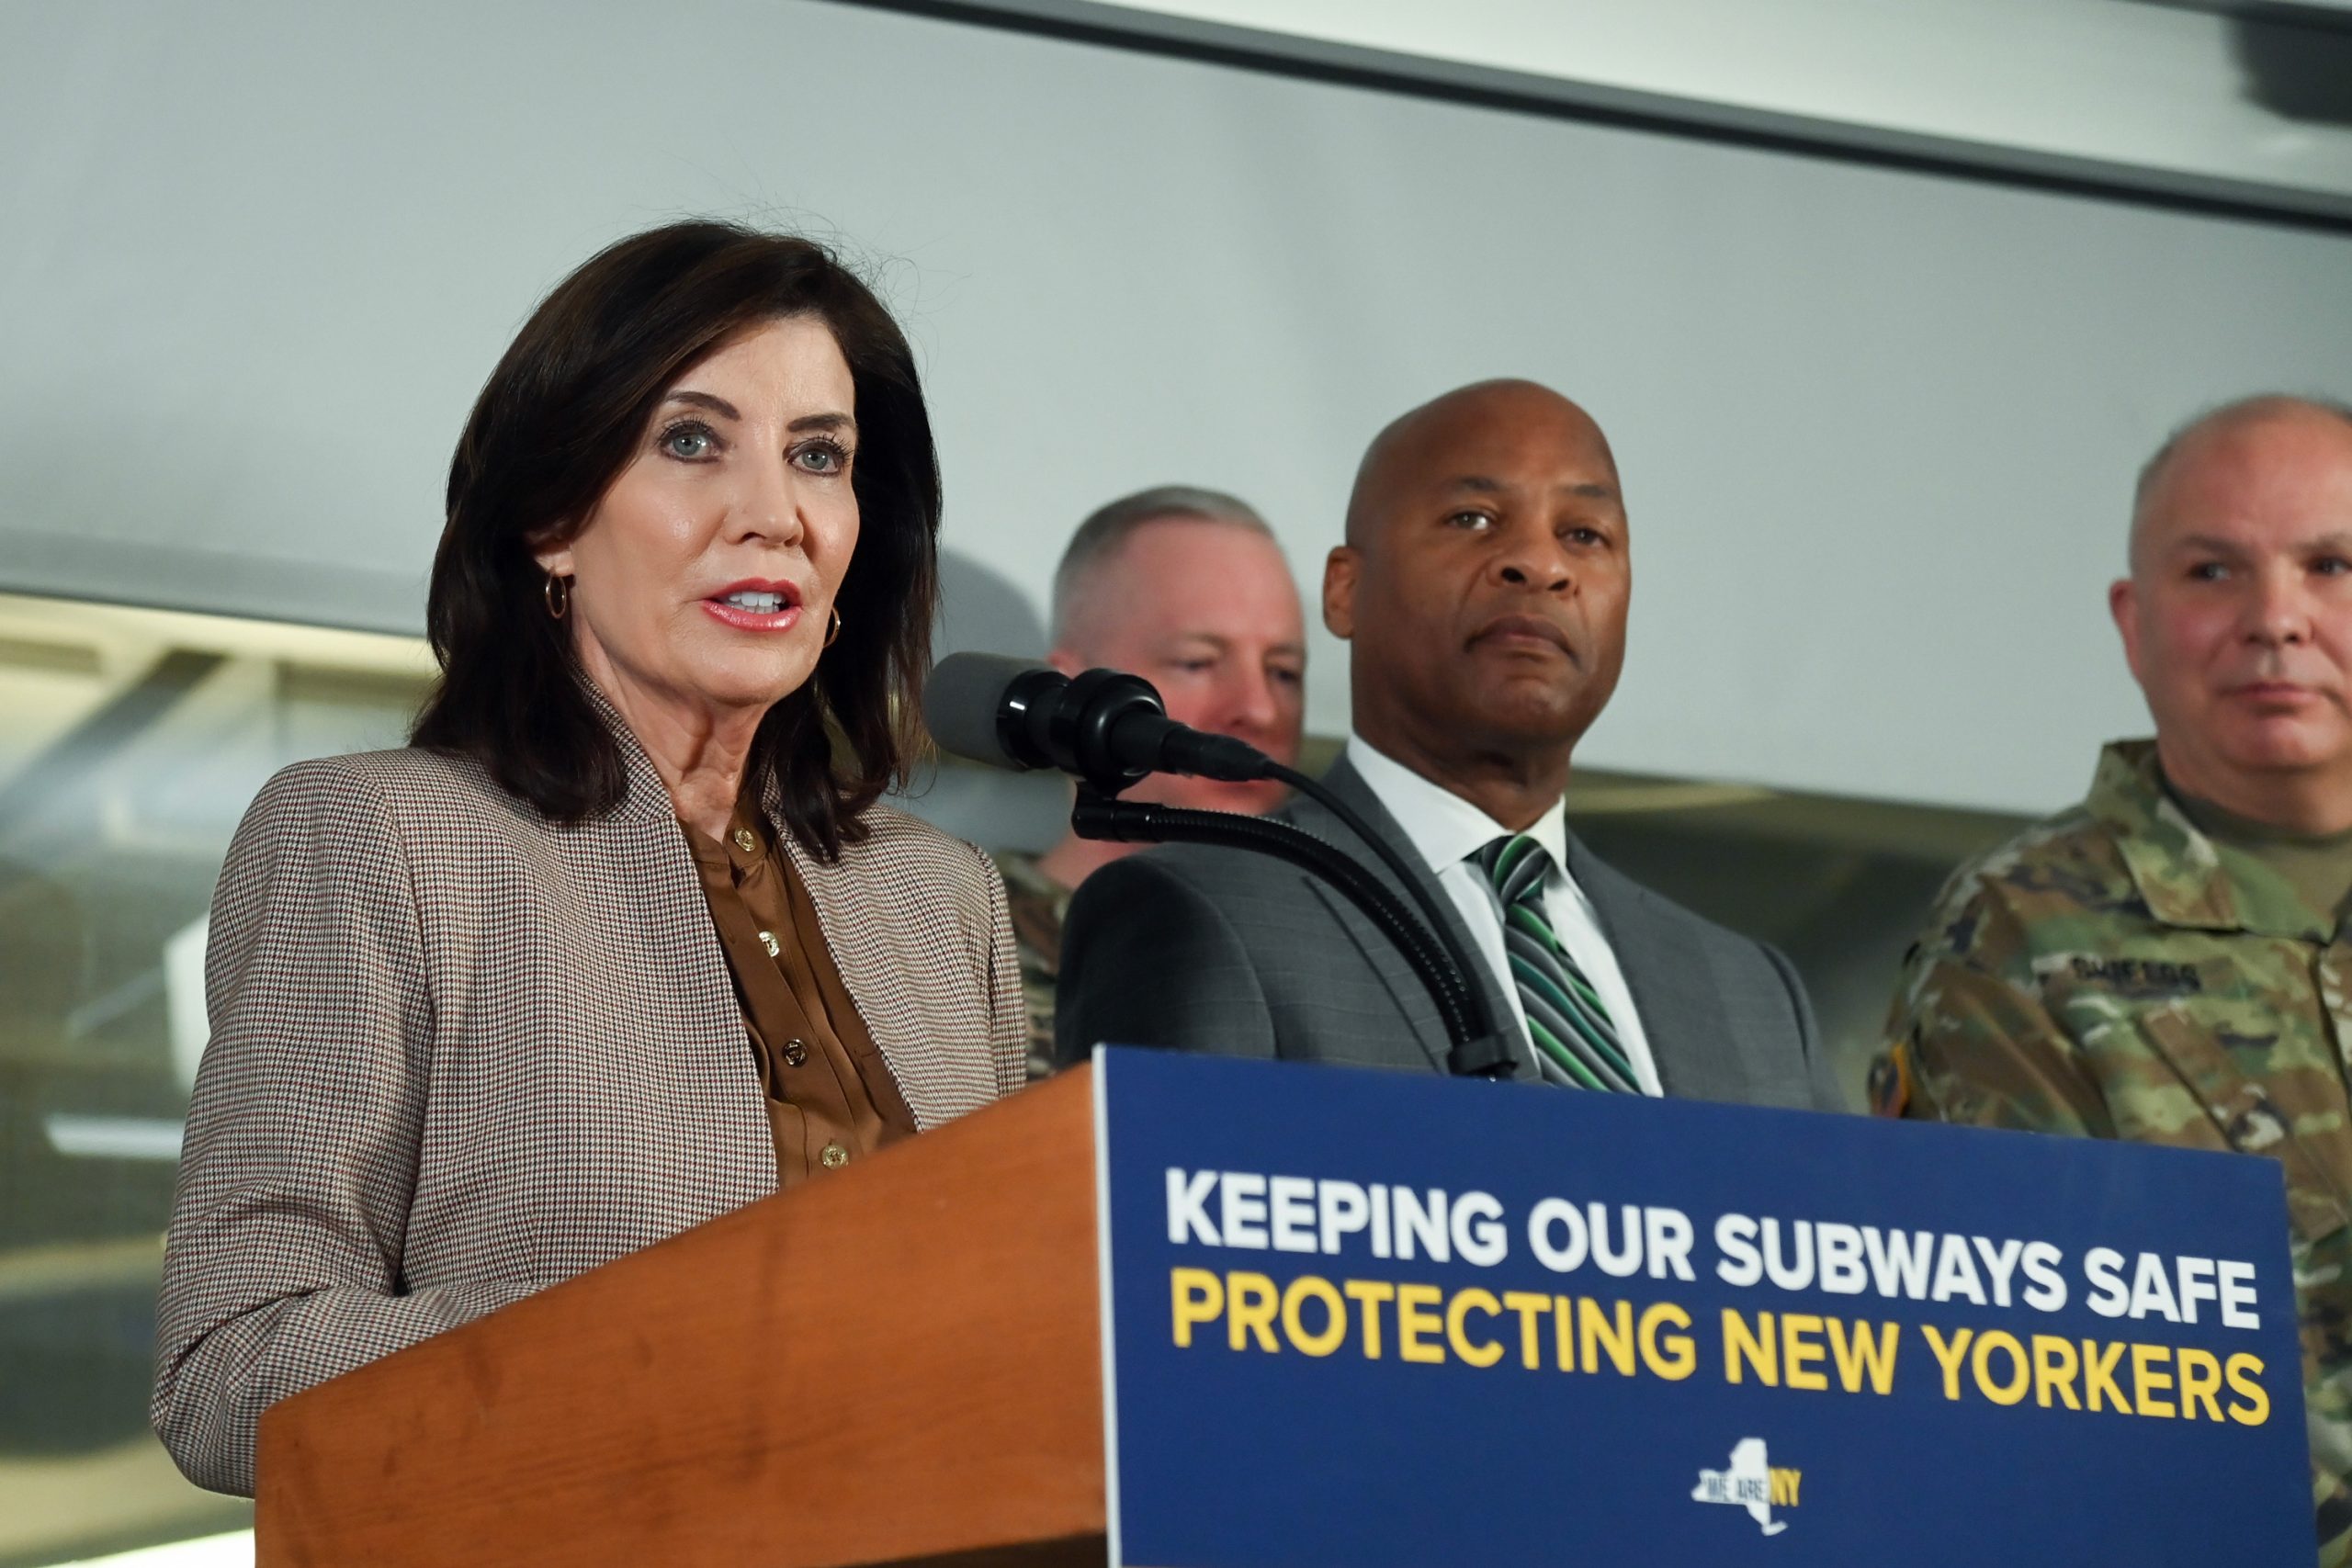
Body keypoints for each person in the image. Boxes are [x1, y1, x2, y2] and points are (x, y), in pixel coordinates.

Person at [151, 221, 1025, 1496]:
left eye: (819, 457)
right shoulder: (378, 836)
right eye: (691, 441)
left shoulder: (939, 895)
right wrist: (665, 1338)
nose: (774, 513)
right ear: (553, 516)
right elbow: (232, 1369)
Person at [1056, 378, 1838, 1109]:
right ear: (1346, 589)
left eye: (1585, 533)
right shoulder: (1201, 912)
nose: (1540, 563)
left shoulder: (1755, 995)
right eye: (1474, 519)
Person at [1874, 394, 2352, 1563]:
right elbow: (2010, 1402)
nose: (2275, 621)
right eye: (2212, 571)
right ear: (2133, 625)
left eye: (2329, 565)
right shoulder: (2019, 939)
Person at [994, 487, 1306, 1077]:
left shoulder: (1337, 954)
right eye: (1198, 662)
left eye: (1284, 672)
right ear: (1074, 693)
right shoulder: (949, 950)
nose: (1259, 710)